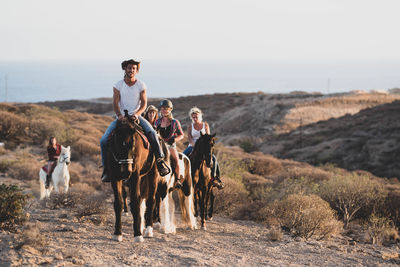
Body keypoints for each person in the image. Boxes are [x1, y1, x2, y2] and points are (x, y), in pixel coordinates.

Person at [100, 59, 170, 182]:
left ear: (136, 71)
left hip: (136, 117)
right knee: (104, 140)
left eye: (134, 68)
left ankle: (160, 162)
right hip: (121, 118)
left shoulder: (141, 85)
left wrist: (137, 114)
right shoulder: (118, 85)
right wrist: (119, 115)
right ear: (125, 69)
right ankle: (106, 169)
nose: (131, 70)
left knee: (153, 134)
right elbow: (115, 102)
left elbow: (144, 104)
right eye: (129, 68)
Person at [183, 107, 224, 189]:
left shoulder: (205, 125)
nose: (195, 119)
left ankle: (215, 178)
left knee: (214, 159)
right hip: (193, 146)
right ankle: (182, 178)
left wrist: (202, 146)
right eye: (193, 117)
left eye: (196, 117)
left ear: (200, 116)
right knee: (183, 156)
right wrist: (195, 145)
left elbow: (208, 137)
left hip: (204, 147)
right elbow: (190, 138)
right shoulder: (190, 127)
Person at [154, 99, 184, 187]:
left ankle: (177, 180)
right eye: (162, 108)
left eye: (166, 108)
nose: (164, 110)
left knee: (176, 161)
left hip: (170, 145)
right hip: (160, 145)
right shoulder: (157, 121)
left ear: (170, 109)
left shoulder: (175, 122)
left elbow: (181, 134)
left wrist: (174, 139)